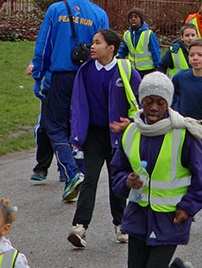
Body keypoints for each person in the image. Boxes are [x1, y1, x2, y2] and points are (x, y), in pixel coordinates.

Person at [111, 71, 202, 268]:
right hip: (139, 215)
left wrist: (188, 208)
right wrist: (126, 181)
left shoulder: (183, 134)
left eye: (160, 102)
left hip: (170, 217)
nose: (154, 107)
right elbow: (117, 172)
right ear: (141, 101)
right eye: (148, 101)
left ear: (168, 103)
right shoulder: (131, 132)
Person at [28, 0, 109, 203]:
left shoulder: (55, 11)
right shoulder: (98, 14)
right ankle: (76, 172)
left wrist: (38, 76)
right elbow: (104, 48)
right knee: (79, 126)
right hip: (86, 77)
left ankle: (72, 171)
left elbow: (44, 46)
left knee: (54, 126)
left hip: (60, 76)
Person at [66, 28, 140, 248]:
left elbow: (140, 101)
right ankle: (80, 227)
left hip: (118, 135)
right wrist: (76, 132)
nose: (92, 46)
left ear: (111, 48)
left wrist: (132, 124)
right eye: (92, 43)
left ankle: (121, 224)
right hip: (94, 134)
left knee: (116, 180)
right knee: (90, 179)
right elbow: (77, 103)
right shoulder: (85, 70)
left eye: (97, 43)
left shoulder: (125, 70)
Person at [170, 40, 202, 126]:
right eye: (191, 55)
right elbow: (173, 97)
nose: (195, 58)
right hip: (182, 124)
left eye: (200, 55)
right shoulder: (180, 77)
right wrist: (176, 113)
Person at [121, 9, 163, 74]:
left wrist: (158, 69)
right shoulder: (127, 34)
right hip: (133, 69)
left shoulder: (148, 34)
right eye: (131, 17)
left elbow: (155, 52)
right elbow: (123, 50)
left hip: (148, 70)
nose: (133, 19)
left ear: (141, 19)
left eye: (136, 17)